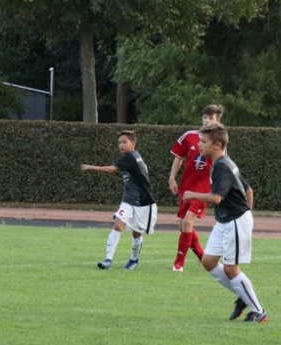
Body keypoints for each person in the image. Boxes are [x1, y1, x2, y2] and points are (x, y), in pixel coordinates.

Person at [183, 122, 268, 323]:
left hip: (235, 221)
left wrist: (192, 194)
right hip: (225, 221)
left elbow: (217, 198)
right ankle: (244, 296)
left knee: (231, 269)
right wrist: (247, 213)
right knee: (208, 262)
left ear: (217, 145)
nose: (199, 145)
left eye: (203, 142)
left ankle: (258, 312)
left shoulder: (222, 166)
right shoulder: (224, 163)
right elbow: (248, 190)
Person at [80, 130, 158, 270]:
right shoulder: (132, 156)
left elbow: (111, 169)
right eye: (119, 142)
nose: (121, 145)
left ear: (133, 143)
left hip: (143, 202)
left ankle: (134, 259)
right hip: (128, 200)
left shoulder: (131, 157)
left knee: (136, 233)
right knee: (118, 225)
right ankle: (108, 260)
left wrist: (90, 167)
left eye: (124, 142)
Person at [168, 104, 225, 271]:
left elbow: (222, 164)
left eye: (211, 118)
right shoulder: (189, 136)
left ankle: (179, 263)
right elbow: (178, 157)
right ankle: (202, 257)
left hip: (204, 189)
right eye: (205, 117)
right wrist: (172, 178)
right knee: (183, 226)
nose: (207, 120)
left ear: (218, 120)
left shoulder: (219, 142)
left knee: (187, 222)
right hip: (186, 188)